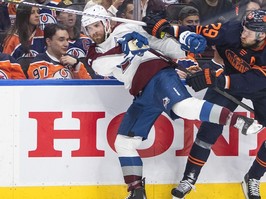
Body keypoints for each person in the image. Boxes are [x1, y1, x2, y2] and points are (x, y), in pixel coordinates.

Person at [82, 4, 263, 199]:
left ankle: (239, 125)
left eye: (96, 26)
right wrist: (126, 49)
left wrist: (184, 53)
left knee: (183, 106)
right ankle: (137, 191)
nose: (94, 32)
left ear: (106, 22)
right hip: (141, 92)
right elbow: (102, 67)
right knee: (123, 142)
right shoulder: (94, 53)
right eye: (89, 28)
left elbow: (160, 44)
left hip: (159, 75)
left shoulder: (127, 28)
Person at [142, 9, 266, 199]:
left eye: (248, 32)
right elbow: (200, 30)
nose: (243, 33)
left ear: (262, 35)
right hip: (230, 78)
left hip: (260, 89)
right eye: (243, 28)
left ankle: (253, 177)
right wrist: (168, 28)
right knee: (209, 128)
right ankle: (189, 179)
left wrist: (218, 79)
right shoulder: (233, 30)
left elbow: (255, 82)